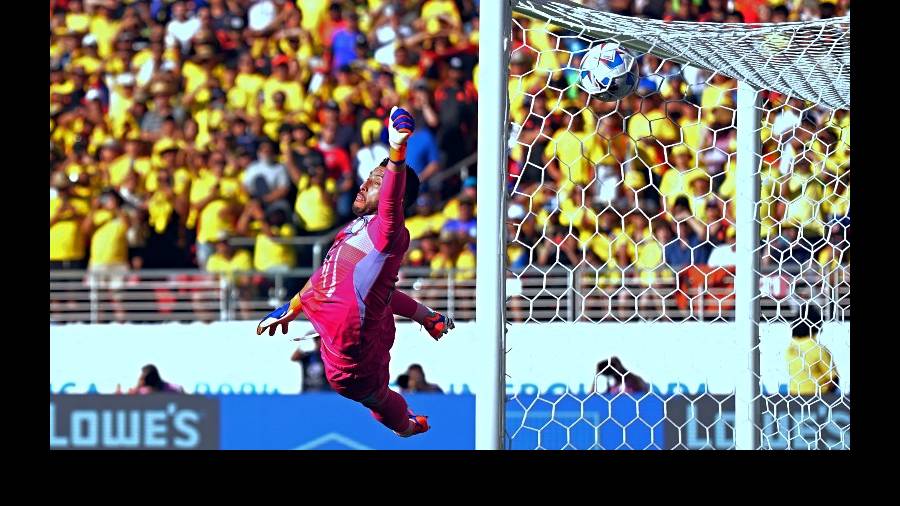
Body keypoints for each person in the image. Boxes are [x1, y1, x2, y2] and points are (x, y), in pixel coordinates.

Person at [256, 108, 453, 437]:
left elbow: (390, 201)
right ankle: (427, 318)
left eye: (376, 181)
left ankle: (403, 425)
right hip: (361, 325)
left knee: (377, 398)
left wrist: (397, 151)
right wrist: (290, 308)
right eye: (368, 177)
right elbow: (326, 276)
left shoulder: (389, 231)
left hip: (352, 360)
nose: (364, 185)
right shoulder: (354, 229)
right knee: (373, 293)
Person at [787, 304, 839, 396]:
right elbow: (834, 379)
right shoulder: (818, 350)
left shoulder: (791, 347)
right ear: (817, 324)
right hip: (817, 398)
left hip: (794, 397)